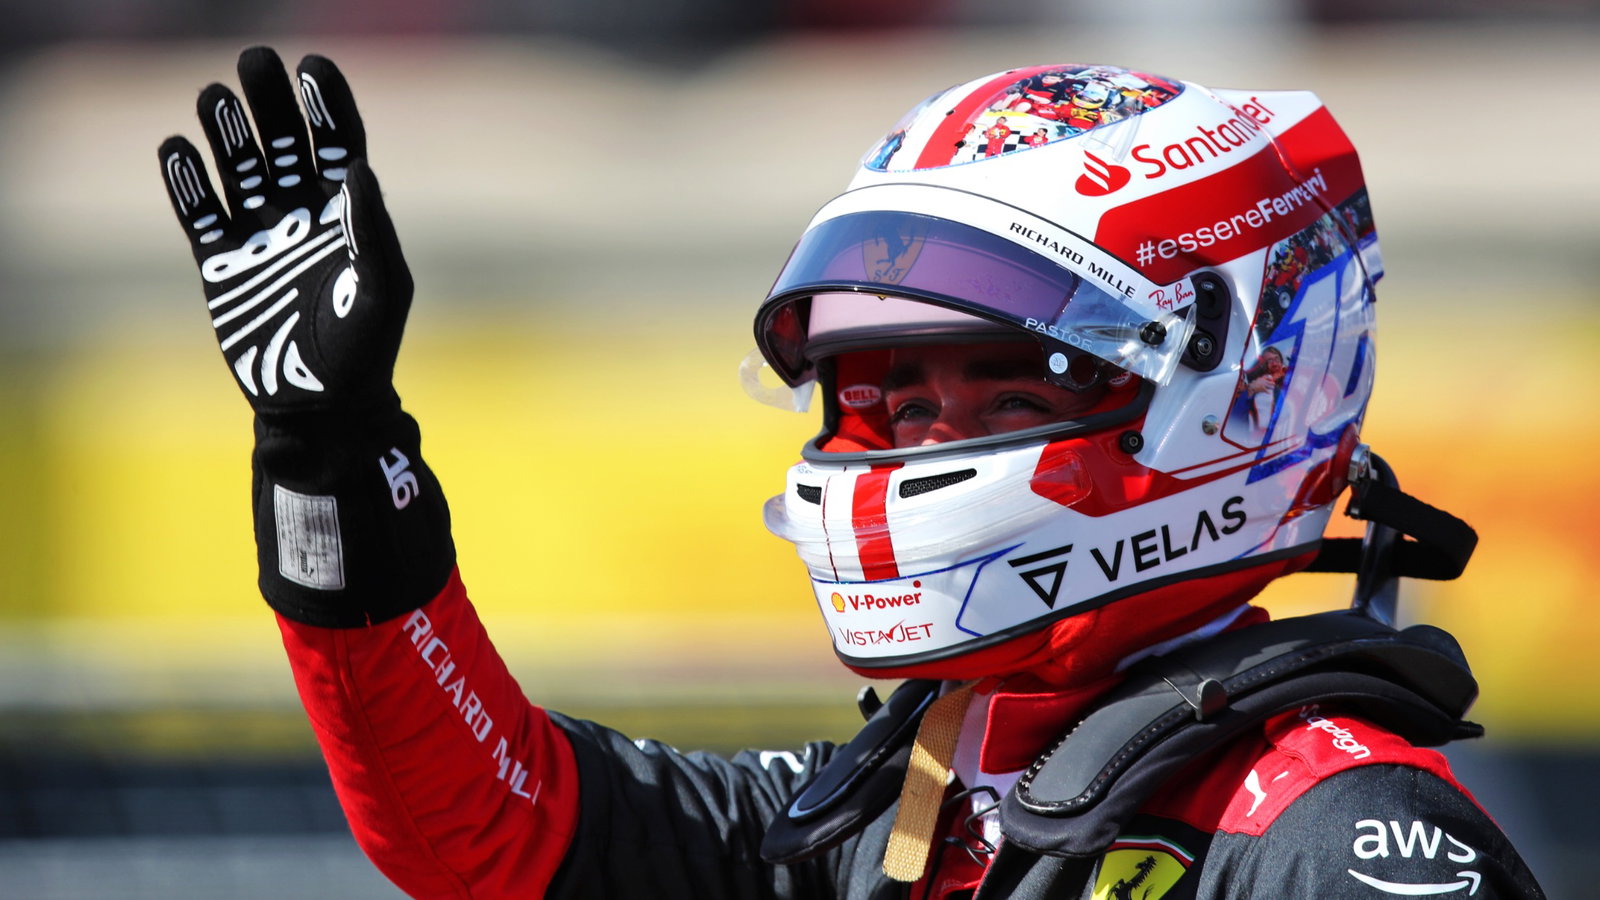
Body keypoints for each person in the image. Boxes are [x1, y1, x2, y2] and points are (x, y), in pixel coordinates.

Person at [158, 49, 1545, 899]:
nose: (927, 443)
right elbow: (488, 833)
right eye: (887, 397)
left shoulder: (1343, 836)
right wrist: (333, 459)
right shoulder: (914, 803)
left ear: (1236, 387)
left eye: (1008, 388)